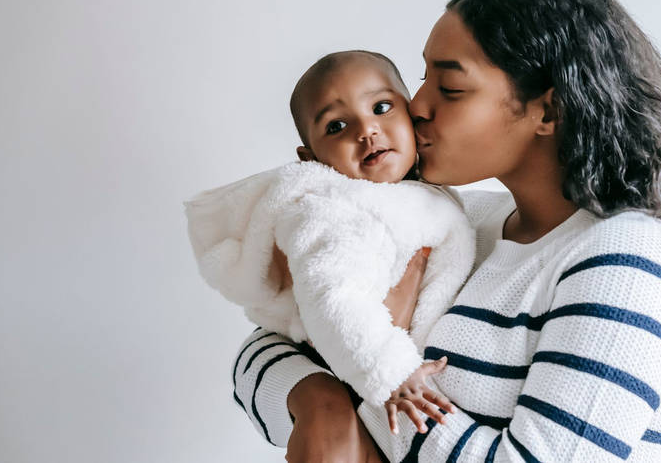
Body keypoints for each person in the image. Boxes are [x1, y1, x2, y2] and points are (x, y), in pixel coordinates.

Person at [234, 0, 661, 462]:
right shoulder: (457, 220)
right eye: (423, 78)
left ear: (548, 111)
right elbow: (273, 338)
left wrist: (374, 380)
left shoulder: (630, 261)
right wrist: (320, 404)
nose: (416, 106)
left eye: (450, 88)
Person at [186, 50, 472, 428]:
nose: (366, 130)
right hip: (370, 382)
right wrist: (392, 372)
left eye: (381, 107)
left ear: (411, 113)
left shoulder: (430, 198)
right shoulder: (330, 211)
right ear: (311, 159)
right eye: (336, 126)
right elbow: (333, 299)